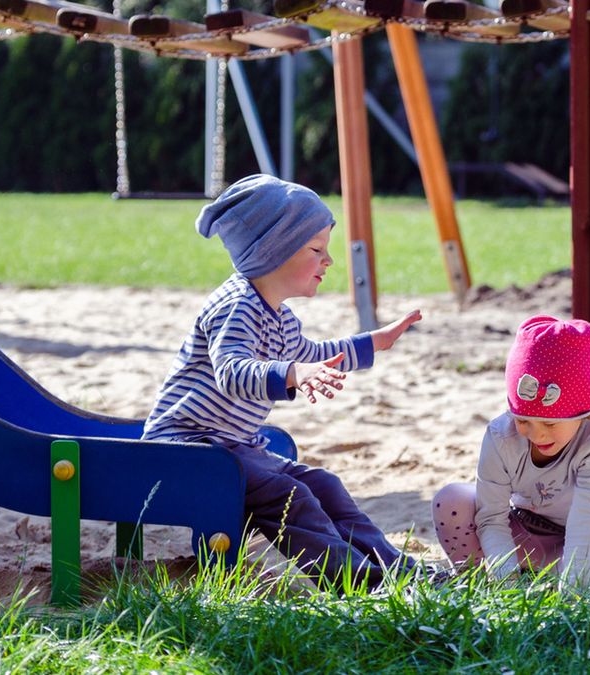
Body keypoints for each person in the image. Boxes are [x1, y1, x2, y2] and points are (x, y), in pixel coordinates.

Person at [143, 174, 422, 592]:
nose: (328, 261)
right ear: (272, 253)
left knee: (324, 484)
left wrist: (372, 344)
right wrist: (291, 375)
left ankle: (398, 570)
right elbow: (232, 370)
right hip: (184, 449)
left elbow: (312, 356)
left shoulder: (280, 317)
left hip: (231, 448)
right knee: (288, 495)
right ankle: (361, 583)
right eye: (316, 250)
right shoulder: (236, 305)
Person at [432, 315, 590, 585]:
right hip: (520, 528)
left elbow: (587, 520)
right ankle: (475, 583)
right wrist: (505, 584)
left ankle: (550, 584)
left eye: (550, 423)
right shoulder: (501, 434)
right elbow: (492, 517)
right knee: (451, 499)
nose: (537, 433)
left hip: (580, 537)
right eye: (523, 420)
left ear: (586, 414)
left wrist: (571, 593)